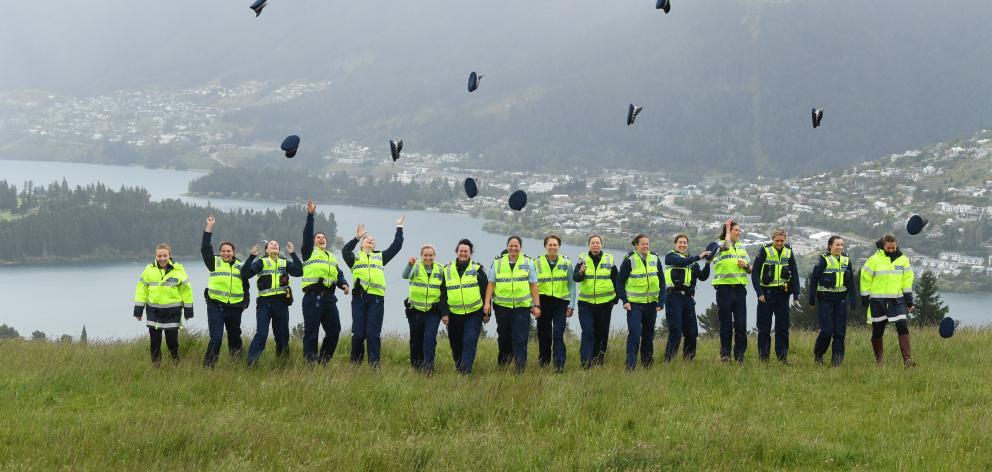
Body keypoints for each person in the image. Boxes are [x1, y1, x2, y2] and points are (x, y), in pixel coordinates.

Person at [342, 216, 405, 367]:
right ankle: (355, 364)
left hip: (376, 299)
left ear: (374, 244)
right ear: (362, 244)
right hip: (359, 299)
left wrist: (399, 228)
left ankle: (374, 364)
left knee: (372, 334)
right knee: (358, 335)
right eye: (367, 239)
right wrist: (356, 237)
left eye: (372, 239)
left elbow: (396, 247)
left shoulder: (380, 257)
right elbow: (345, 251)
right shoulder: (354, 257)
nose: (370, 240)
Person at [301, 200, 350, 364]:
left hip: (329, 299)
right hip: (312, 297)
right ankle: (310, 362)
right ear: (314, 241)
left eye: (323, 238)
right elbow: (307, 234)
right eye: (318, 237)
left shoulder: (332, 258)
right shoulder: (309, 252)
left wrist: (343, 284)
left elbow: (339, 275)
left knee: (334, 331)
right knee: (312, 332)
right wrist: (310, 215)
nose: (321, 239)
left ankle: (323, 360)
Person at [201, 215, 254, 368]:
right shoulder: (214, 263)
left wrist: (245, 302)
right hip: (216, 306)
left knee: (235, 337)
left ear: (234, 252)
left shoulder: (240, 265)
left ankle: (236, 364)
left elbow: (246, 286)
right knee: (216, 338)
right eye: (223, 251)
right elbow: (205, 248)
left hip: (235, 308)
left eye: (228, 251)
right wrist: (209, 227)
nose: (226, 253)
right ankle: (208, 367)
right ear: (220, 252)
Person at [484, 235, 541, 373]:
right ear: (507, 246)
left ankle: (519, 369)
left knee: (520, 338)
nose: (513, 248)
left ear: (520, 248)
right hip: (502, 307)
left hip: (522, 307)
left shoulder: (528, 262)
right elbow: (491, 284)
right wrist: (487, 303)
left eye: (516, 246)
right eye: (511, 245)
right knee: (504, 337)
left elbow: (533, 285)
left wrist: (537, 305)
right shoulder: (498, 262)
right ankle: (503, 364)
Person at [243, 239, 303, 366]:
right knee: (262, 334)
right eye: (271, 244)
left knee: (283, 336)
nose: (274, 245)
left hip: (282, 303)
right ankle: (251, 362)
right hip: (265, 303)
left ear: (279, 250)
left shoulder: (284, 262)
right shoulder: (261, 262)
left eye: (276, 244)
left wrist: (293, 253)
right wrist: (251, 256)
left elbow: (299, 271)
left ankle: (283, 363)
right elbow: (245, 274)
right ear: (266, 250)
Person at [133, 243, 194, 366]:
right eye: (159, 256)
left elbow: (186, 291)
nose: (162, 259)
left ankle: (176, 364)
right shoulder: (149, 270)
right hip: (153, 313)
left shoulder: (179, 271)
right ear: (155, 256)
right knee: (155, 342)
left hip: (172, 313)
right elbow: (141, 291)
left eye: (165, 255)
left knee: (172, 342)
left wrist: (188, 311)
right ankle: (156, 367)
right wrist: (138, 311)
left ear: (169, 255)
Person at [861, 234, 915, 367]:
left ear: (896, 245)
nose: (891, 250)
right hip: (877, 302)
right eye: (888, 248)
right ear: (883, 246)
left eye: (893, 247)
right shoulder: (874, 259)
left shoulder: (903, 260)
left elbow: (907, 282)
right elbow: (865, 277)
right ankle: (879, 360)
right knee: (878, 331)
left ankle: (907, 360)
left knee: (902, 327)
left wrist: (909, 302)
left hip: (897, 301)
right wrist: (865, 298)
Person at [617, 234, 666, 371]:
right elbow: (619, 282)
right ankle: (630, 367)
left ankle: (647, 365)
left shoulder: (655, 258)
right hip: (634, 305)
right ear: (636, 245)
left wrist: (661, 301)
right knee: (635, 334)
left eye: (647, 244)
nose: (646, 246)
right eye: (643, 244)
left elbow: (662, 281)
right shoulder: (629, 260)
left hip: (651, 304)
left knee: (648, 336)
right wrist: (624, 301)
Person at [751, 228, 801, 363]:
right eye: (777, 240)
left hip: (782, 294)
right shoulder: (764, 250)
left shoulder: (788, 251)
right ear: (772, 239)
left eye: (782, 241)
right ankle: (763, 358)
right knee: (764, 327)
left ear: (785, 240)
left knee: (783, 327)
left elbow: (795, 273)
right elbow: (755, 273)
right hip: (766, 294)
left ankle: (782, 357)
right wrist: (759, 292)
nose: (779, 243)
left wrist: (796, 295)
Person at [808, 235, 857, 366]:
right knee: (827, 331)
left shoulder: (846, 260)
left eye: (842, 245)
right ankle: (818, 354)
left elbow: (851, 281)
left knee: (840, 332)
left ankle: (837, 361)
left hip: (841, 300)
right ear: (830, 246)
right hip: (825, 299)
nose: (840, 247)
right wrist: (811, 300)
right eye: (837, 245)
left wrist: (853, 300)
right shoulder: (824, 260)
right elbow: (814, 280)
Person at [442, 239, 488, 375]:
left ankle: (465, 371)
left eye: (466, 251)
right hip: (454, 313)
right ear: (456, 252)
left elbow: (486, 291)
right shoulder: (447, 269)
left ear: (470, 253)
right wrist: (444, 313)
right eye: (461, 251)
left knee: (470, 340)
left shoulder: (477, 269)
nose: (463, 253)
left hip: (474, 313)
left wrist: (487, 312)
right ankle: (459, 366)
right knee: (455, 344)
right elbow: (442, 294)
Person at [663, 234, 711, 361]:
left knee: (692, 332)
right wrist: (699, 256)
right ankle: (669, 361)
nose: (682, 245)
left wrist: (707, 263)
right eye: (680, 242)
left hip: (688, 299)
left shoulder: (692, 261)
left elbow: (702, 277)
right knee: (676, 331)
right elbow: (681, 262)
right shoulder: (670, 256)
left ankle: (688, 359)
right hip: (673, 297)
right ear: (675, 244)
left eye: (685, 243)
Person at [573, 235, 618, 368]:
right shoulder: (583, 259)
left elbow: (616, 279)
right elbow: (576, 278)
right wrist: (580, 272)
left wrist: (615, 299)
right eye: (593, 243)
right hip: (586, 304)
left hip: (605, 304)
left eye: (597, 243)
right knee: (588, 332)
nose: (595, 245)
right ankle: (586, 364)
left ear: (601, 245)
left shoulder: (609, 259)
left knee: (602, 333)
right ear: (589, 245)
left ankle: (598, 362)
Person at [711, 219, 752, 363]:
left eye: (739, 230)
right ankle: (725, 355)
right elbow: (726, 245)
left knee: (741, 324)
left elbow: (750, 269)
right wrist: (727, 231)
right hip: (724, 290)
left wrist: (746, 265)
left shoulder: (742, 247)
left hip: (740, 290)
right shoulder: (718, 245)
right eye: (736, 230)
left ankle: (740, 356)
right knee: (726, 324)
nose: (739, 232)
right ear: (728, 231)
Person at [534, 235, 577, 373]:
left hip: (560, 303)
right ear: (545, 246)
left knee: (558, 334)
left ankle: (559, 366)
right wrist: (534, 304)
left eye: (555, 245)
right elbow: (531, 286)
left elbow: (571, 285)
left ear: (559, 246)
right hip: (543, 302)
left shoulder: (566, 263)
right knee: (544, 334)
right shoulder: (537, 263)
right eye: (550, 245)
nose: (552, 247)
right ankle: (544, 363)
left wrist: (571, 305)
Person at [402, 244, 446, 374]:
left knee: (430, 338)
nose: (428, 258)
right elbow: (405, 275)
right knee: (416, 339)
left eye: (430, 255)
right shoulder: (415, 267)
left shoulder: (441, 269)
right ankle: (416, 366)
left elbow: (446, 288)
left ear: (434, 256)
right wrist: (409, 264)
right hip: (415, 310)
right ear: (421, 256)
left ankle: (428, 367)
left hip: (433, 311)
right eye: (425, 255)